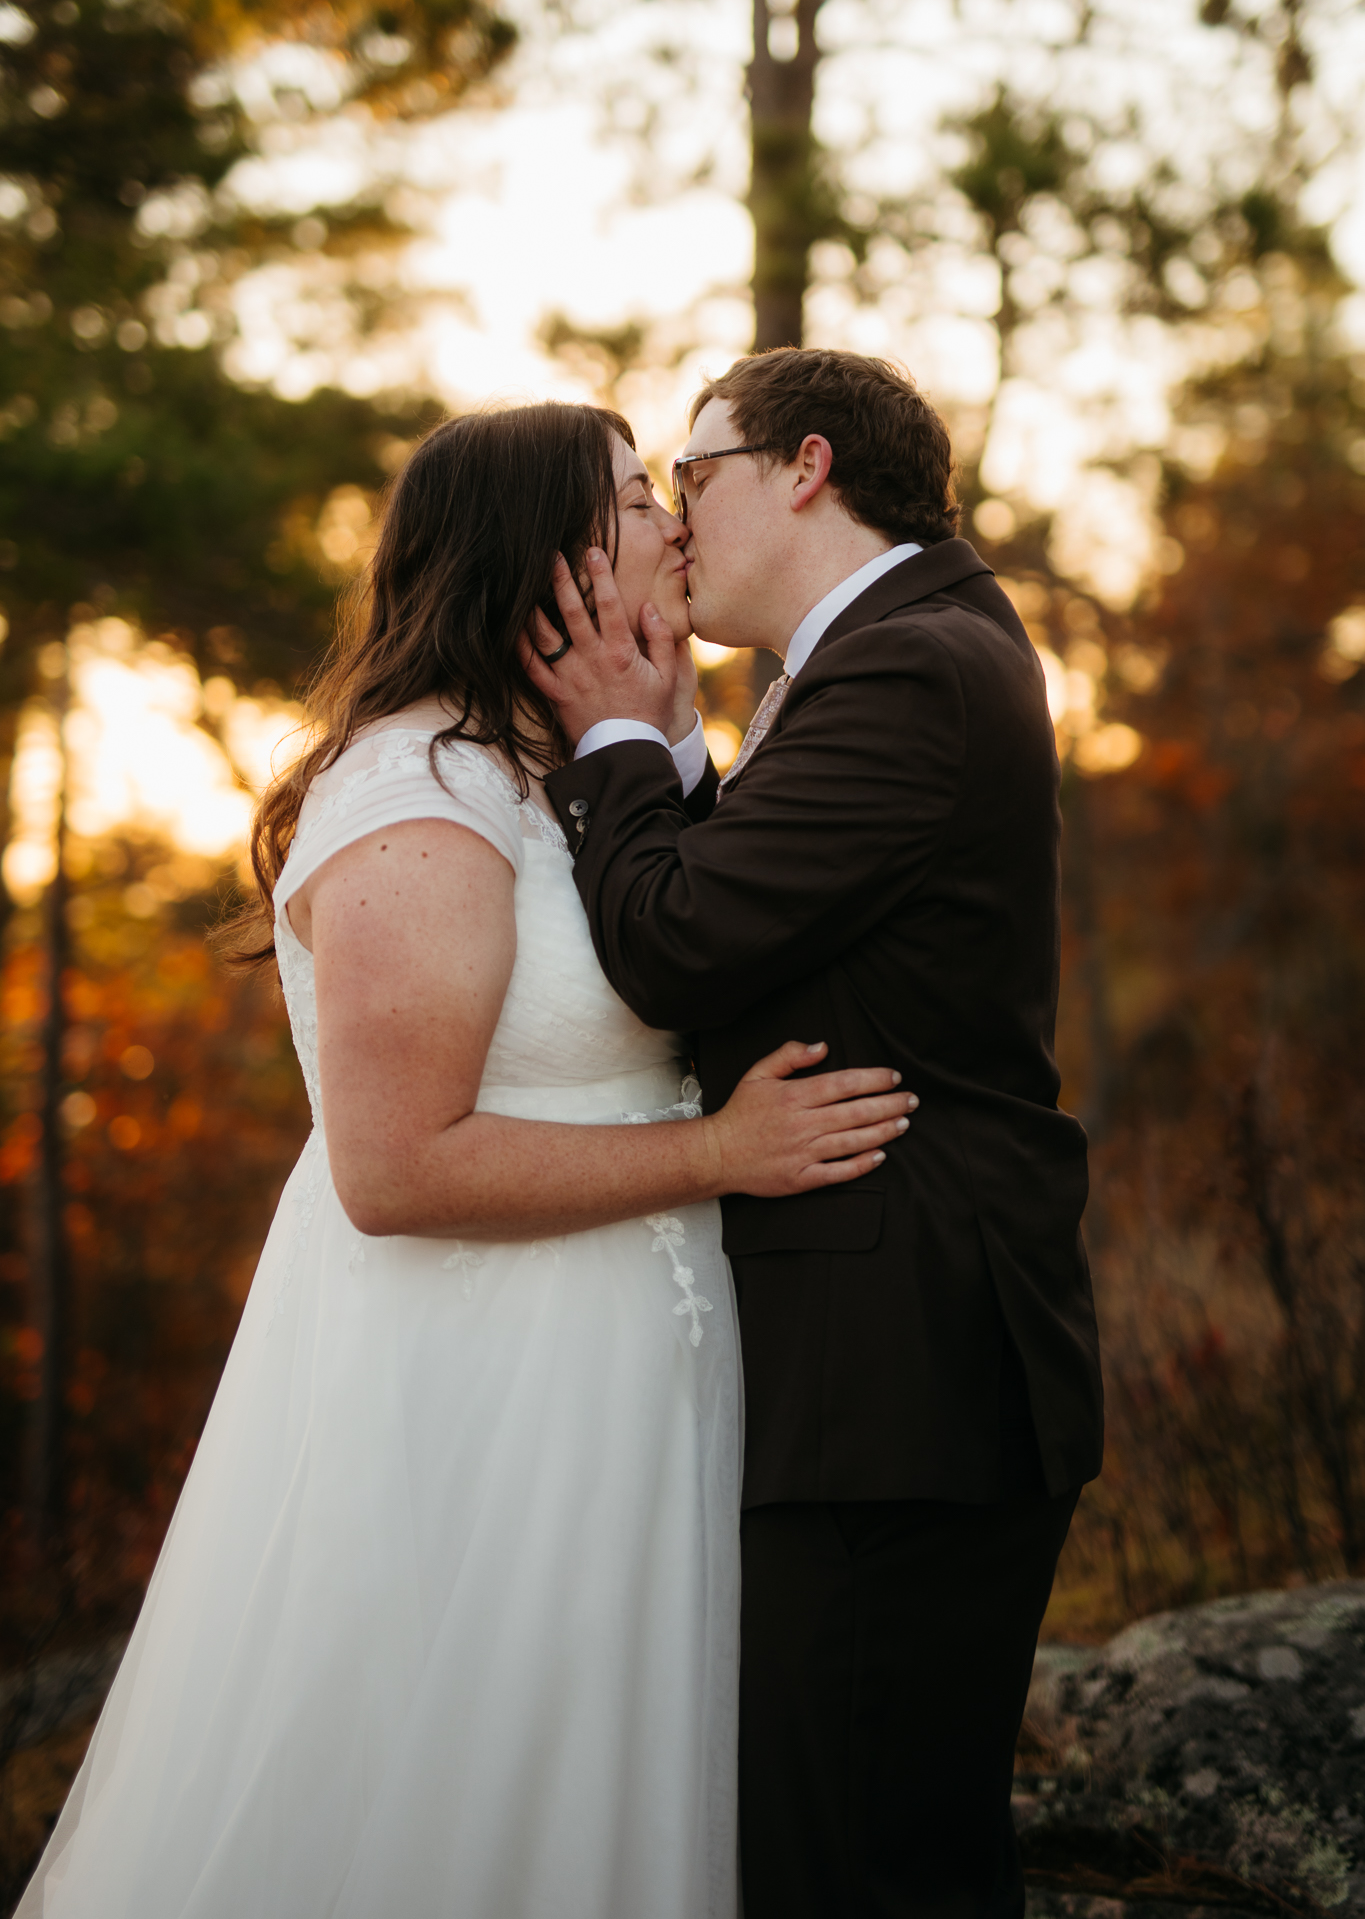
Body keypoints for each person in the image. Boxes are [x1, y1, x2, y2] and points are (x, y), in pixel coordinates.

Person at [18, 401, 914, 1919]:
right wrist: (717, 1151)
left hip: (644, 1376)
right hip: (482, 1389)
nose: (674, 524)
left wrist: (663, 739)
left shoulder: (586, 767)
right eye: (638, 500)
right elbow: (395, 1168)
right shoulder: (415, 795)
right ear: (549, 559)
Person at [526, 348, 1106, 1919]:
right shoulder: (885, 655)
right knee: (864, 1841)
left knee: (854, 1860)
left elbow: (678, 942)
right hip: (888, 1354)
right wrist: (682, 753)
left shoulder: (911, 663)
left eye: (687, 473)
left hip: (898, 1360)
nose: (671, 516)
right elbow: (771, 918)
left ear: (803, 464)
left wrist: (616, 746)